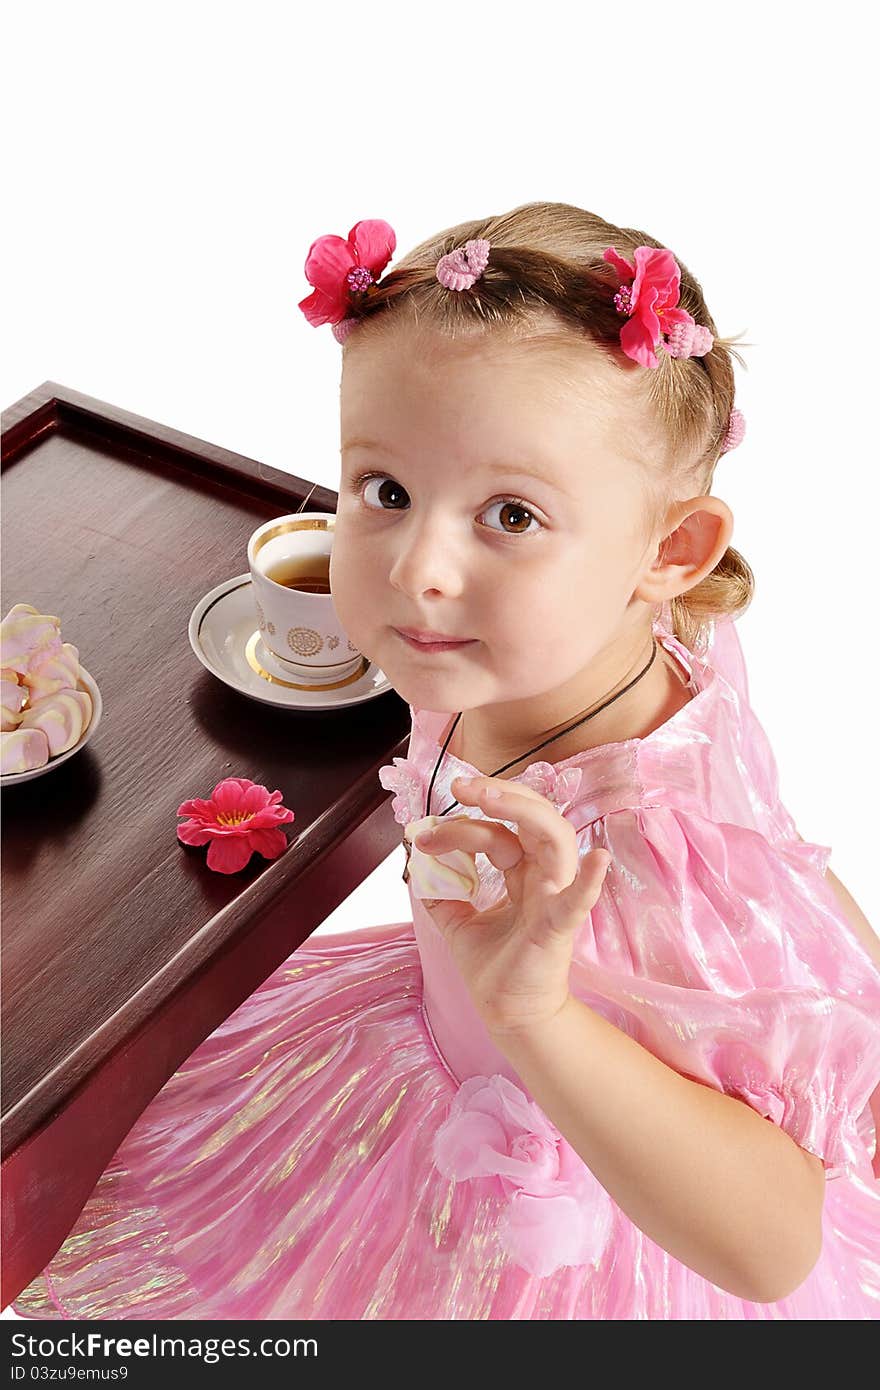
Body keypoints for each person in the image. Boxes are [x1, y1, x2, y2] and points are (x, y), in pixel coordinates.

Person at [11, 201, 880, 1320]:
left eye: (510, 514)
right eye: (385, 491)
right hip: (419, 1048)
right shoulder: (560, 635)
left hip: (563, 1200)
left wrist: (539, 1013)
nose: (418, 568)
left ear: (668, 550)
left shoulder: (635, 851)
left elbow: (767, 1249)